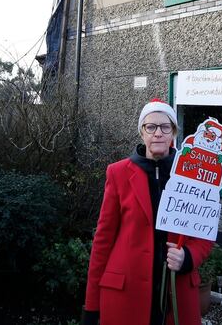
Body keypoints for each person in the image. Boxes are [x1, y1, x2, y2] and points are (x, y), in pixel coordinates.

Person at [82, 99, 214, 325]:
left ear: (173, 132)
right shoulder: (118, 173)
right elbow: (103, 241)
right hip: (126, 293)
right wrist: (92, 306)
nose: (158, 133)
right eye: (150, 127)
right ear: (142, 133)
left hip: (176, 293)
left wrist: (189, 257)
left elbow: (204, 231)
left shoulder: (194, 175)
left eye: (165, 127)